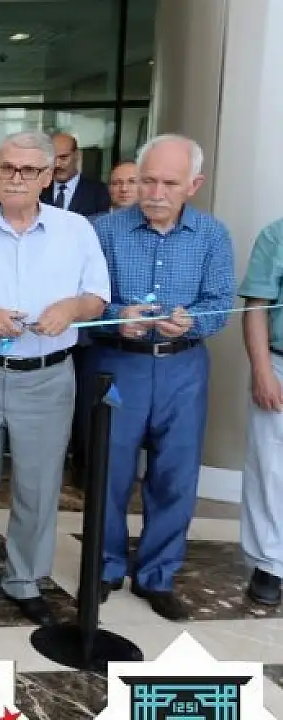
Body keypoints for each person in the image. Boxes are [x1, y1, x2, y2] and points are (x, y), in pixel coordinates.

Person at [0, 130, 110, 625]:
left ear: (47, 176)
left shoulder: (75, 230)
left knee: (38, 484)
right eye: (6, 168)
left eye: (28, 170)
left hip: (46, 375)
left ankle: (25, 579)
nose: (15, 178)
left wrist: (70, 308)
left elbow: (97, 297)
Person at [90, 134, 235, 620]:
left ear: (193, 184)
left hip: (183, 367)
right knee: (109, 471)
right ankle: (105, 566)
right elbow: (83, 299)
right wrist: (115, 316)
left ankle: (158, 574)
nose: (154, 193)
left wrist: (193, 321)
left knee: (175, 474)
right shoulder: (104, 230)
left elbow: (220, 303)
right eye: (147, 180)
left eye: (169, 183)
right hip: (118, 363)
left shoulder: (212, 235)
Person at [240, 215, 283, 607]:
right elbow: (257, 307)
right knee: (270, 467)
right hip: (280, 364)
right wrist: (262, 371)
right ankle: (269, 564)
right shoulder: (276, 234)